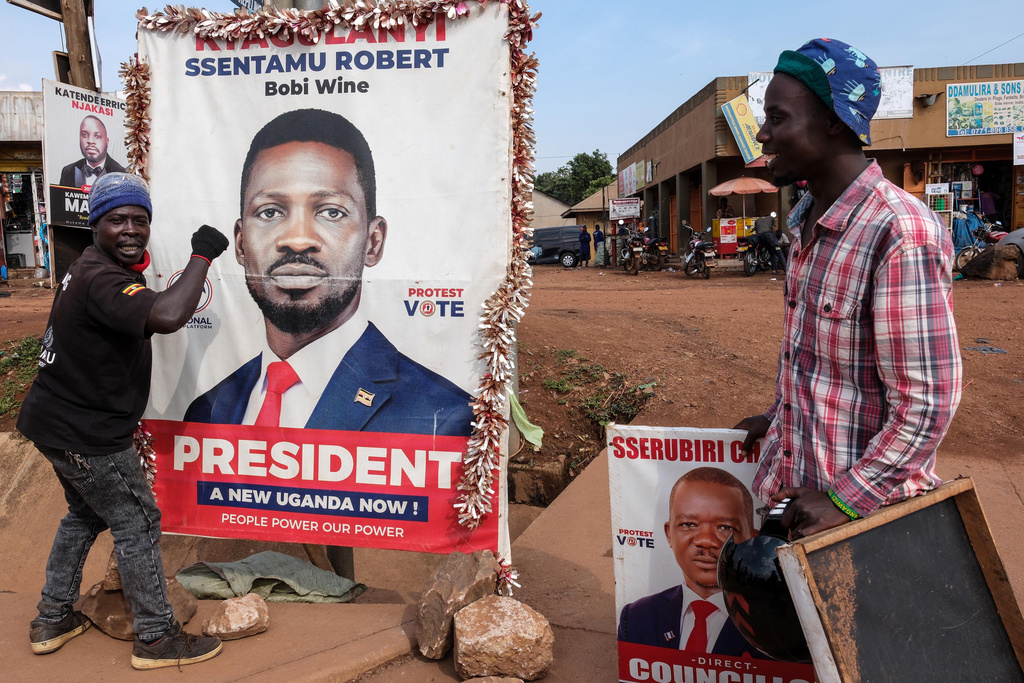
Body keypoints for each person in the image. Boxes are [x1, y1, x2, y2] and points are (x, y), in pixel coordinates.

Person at [734, 38, 962, 539]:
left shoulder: (900, 232)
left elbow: (928, 403)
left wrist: (844, 499)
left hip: (862, 522)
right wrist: (776, 419)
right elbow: (813, 358)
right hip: (794, 494)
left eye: (777, 118)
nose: (763, 134)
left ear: (835, 122)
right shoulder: (804, 221)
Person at [16, 173, 229, 668]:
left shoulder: (91, 266)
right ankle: (156, 637)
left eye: (140, 220)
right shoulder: (104, 278)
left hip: (55, 422)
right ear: (95, 225)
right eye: (117, 220)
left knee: (86, 514)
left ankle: (52, 618)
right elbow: (171, 314)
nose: (131, 229)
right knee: (137, 521)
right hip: (87, 434)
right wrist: (202, 255)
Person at [184, 109, 473, 435]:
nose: (297, 239)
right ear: (240, 244)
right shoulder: (207, 410)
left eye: (331, 212)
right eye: (270, 211)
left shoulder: (444, 417)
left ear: (373, 242)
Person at [617, 468, 768, 659]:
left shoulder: (777, 627)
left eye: (725, 528)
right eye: (689, 525)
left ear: (751, 542)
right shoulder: (637, 616)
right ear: (669, 534)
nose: (706, 540)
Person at [58, 116, 126, 188]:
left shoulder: (121, 174)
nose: (90, 141)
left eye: (97, 136)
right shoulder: (68, 171)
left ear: (107, 142)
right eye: (84, 134)